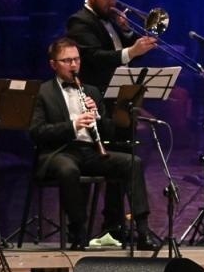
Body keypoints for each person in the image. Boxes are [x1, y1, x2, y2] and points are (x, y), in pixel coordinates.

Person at [28, 36, 163, 250]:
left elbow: (111, 131)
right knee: (68, 169)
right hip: (58, 152)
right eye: (67, 61)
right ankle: (78, 232)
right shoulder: (42, 92)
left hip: (89, 151)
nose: (73, 65)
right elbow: (37, 132)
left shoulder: (90, 91)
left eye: (76, 59)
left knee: (132, 162)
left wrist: (98, 118)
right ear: (53, 64)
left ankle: (143, 232)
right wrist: (74, 125)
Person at [65, 0, 159, 95]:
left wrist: (127, 30)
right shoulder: (78, 21)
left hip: (123, 93)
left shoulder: (111, 17)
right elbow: (95, 57)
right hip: (96, 96)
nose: (111, 2)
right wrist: (131, 51)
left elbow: (136, 56)